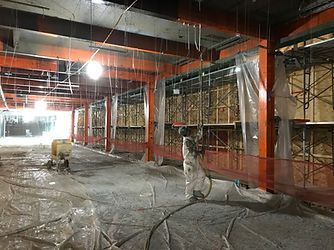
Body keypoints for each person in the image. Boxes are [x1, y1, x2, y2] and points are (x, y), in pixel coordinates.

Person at [178, 126, 206, 202]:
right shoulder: (187, 141)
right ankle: (189, 195)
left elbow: (197, 137)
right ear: (186, 132)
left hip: (194, 161)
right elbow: (192, 151)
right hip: (189, 163)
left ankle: (197, 190)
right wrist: (200, 152)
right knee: (191, 180)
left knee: (201, 175)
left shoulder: (190, 138)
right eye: (188, 130)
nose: (190, 131)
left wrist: (200, 130)